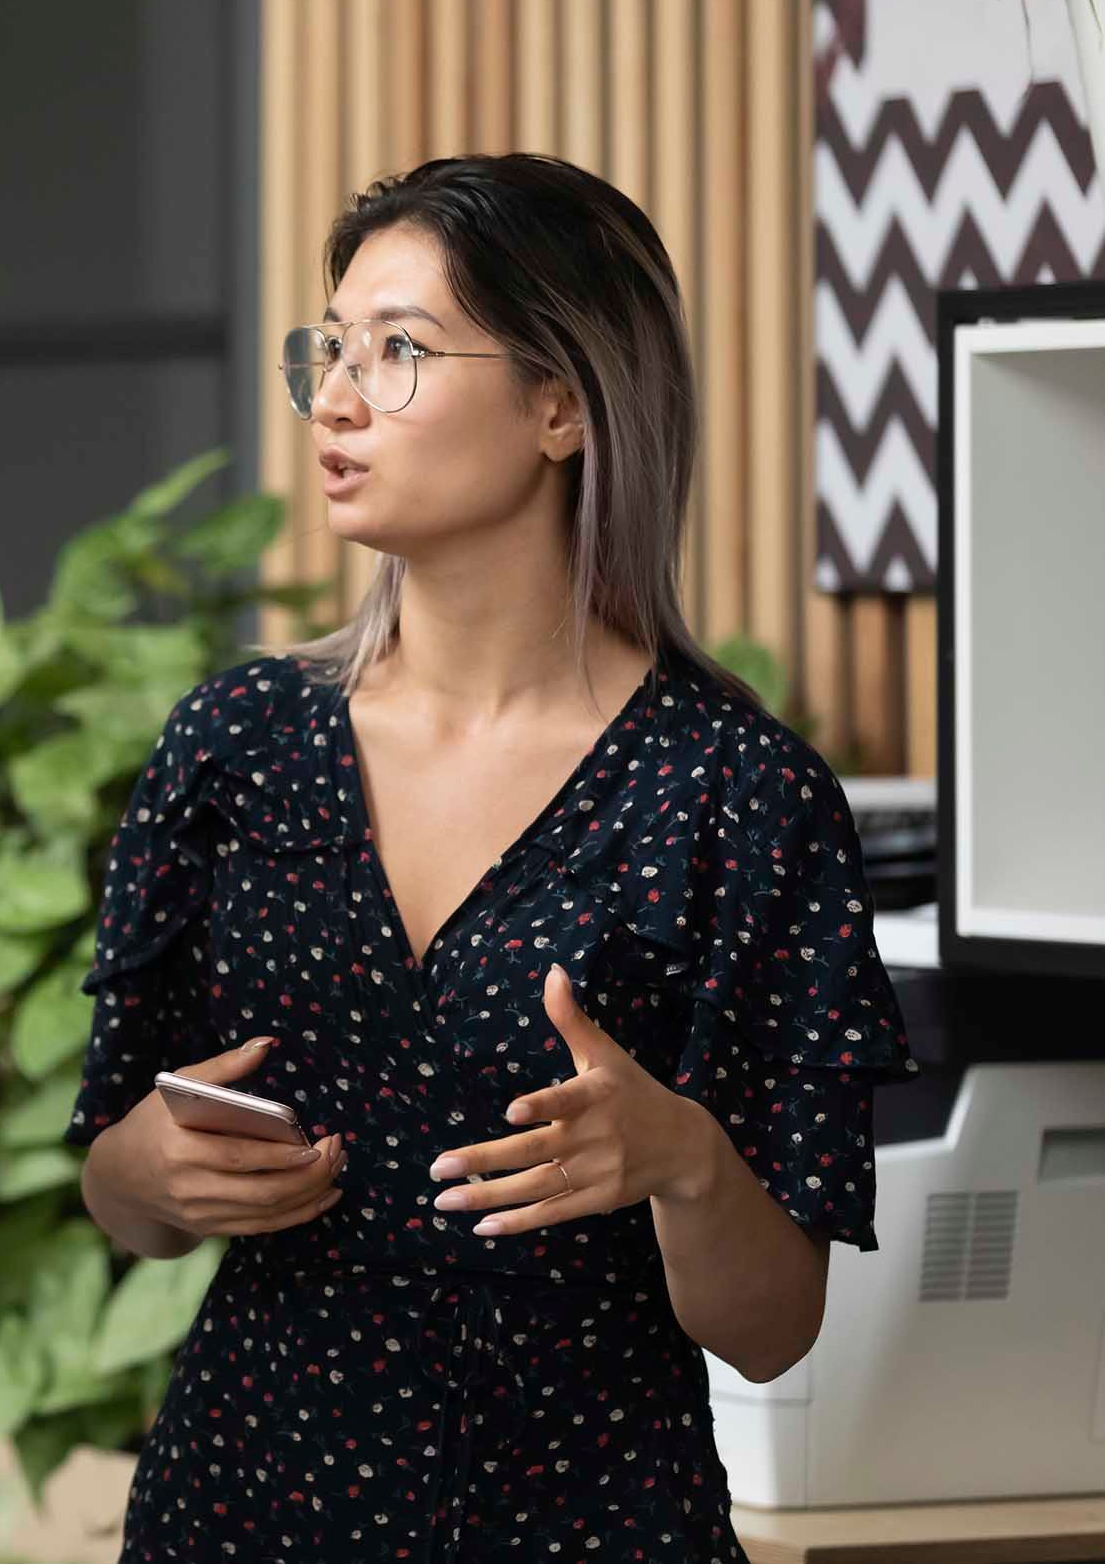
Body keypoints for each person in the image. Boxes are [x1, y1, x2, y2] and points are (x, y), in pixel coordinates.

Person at [69, 153, 914, 1561]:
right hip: (240, 1512)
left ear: (561, 404)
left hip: (591, 1524)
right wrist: (151, 1175)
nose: (335, 400)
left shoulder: (736, 796)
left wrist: (686, 1162)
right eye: (328, 352)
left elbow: (771, 1332)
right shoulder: (234, 746)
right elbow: (119, 1188)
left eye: (397, 352)